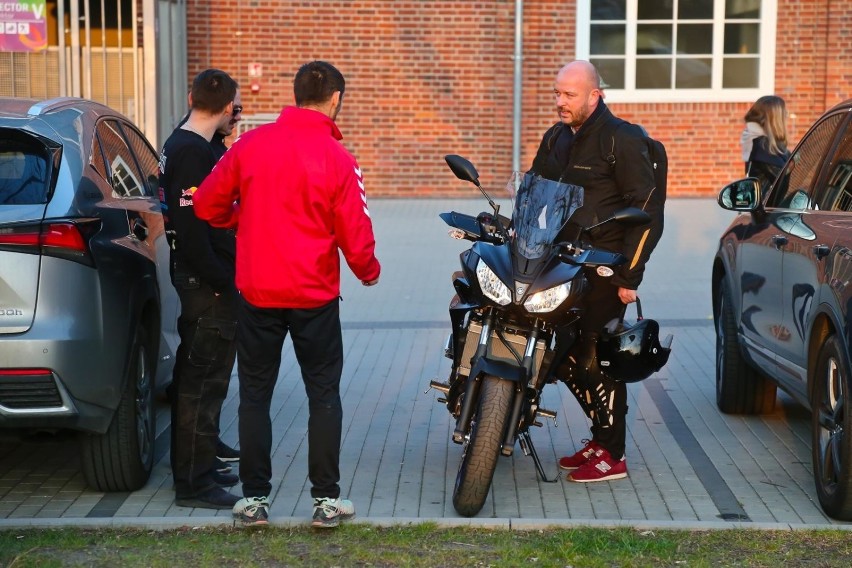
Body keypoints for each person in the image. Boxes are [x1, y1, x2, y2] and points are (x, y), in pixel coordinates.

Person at [193, 60, 381, 527]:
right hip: (314, 295)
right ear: (335, 99)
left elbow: (206, 203)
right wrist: (368, 271)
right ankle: (325, 501)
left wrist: (242, 219)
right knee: (324, 394)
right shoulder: (339, 158)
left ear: (295, 95)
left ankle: (255, 500)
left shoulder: (252, 145)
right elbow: (355, 230)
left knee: (254, 394)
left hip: (258, 292)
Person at [529, 60, 663, 482]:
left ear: (594, 95)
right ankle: (601, 438)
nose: (559, 102)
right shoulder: (556, 138)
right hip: (560, 264)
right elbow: (535, 189)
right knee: (564, 354)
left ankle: (613, 454)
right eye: (556, 93)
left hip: (605, 268)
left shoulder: (620, 139)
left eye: (568, 95)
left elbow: (647, 211)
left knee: (597, 358)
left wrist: (630, 276)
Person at [158, 68, 241, 509]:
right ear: (229, 107)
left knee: (203, 382)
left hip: (201, 281)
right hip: (207, 285)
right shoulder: (192, 153)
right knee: (201, 385)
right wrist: (226, 284)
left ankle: (201, 467)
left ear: (191, 96)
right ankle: (193, 483)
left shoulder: (185, 143)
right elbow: (194, 234)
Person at [740, 95, 790, 190]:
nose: (786, 116)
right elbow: (784, 186)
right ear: (775, 120)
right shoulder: (763, 148)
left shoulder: (757, 142)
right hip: (770, 204)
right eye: (784, 114)